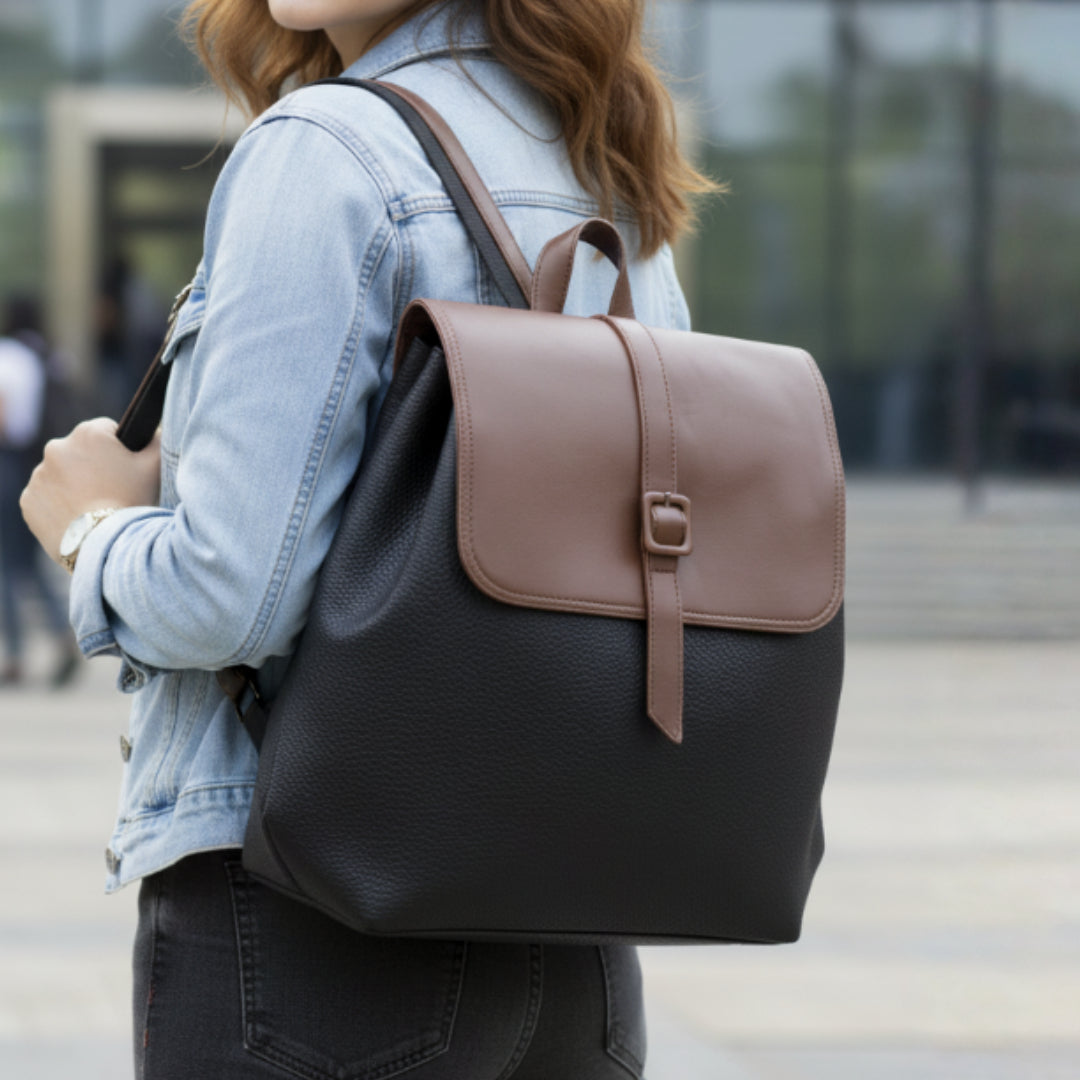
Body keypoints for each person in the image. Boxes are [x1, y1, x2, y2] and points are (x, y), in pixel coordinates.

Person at [21, 1, 715, 1075]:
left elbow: (226, 598)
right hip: (574, 942)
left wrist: (91, 532)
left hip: (315, 927)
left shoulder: (323, 150)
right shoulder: (600, 160)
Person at [0, 297, 80, 687]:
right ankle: (63, 636)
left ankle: (13, 655)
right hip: (34, 464)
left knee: (6, 565)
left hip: (6, 462)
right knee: (29, 563)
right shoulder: (47, 356)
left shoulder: (7, 356)